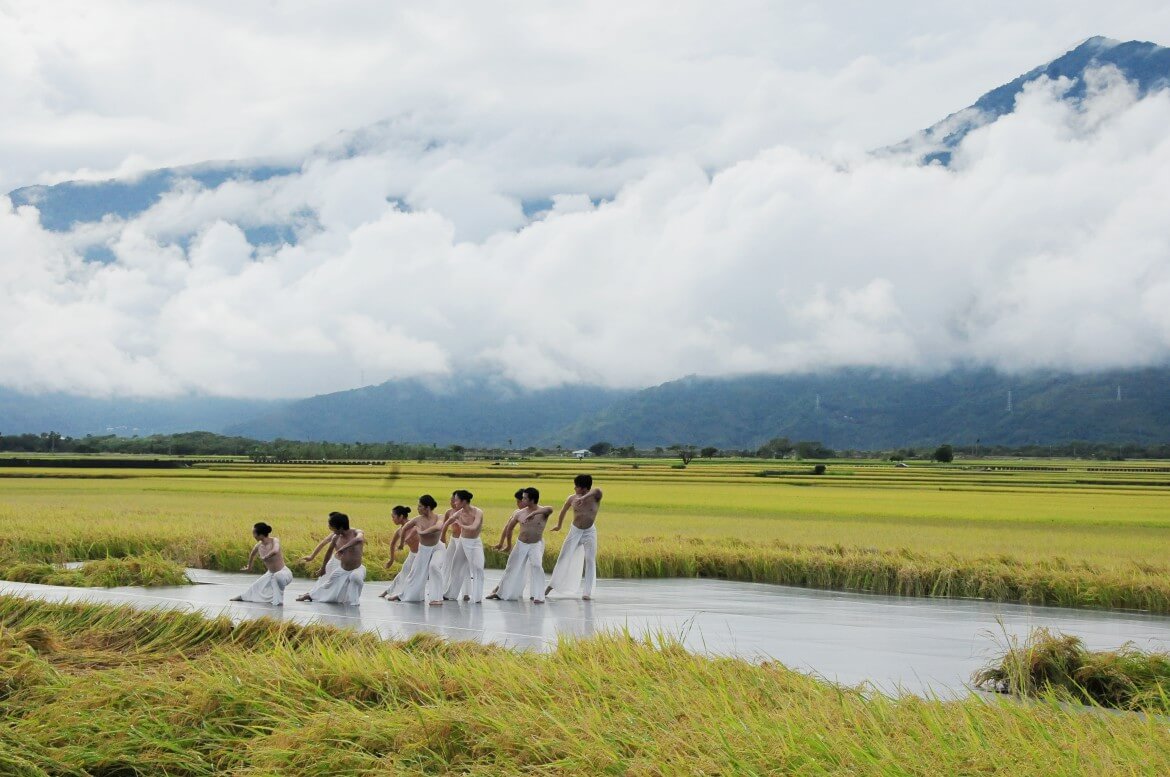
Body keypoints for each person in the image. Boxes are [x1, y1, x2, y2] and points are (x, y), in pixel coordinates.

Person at [488, 486, 552, 603]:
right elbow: (509, 528)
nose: (522, 501)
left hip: (535, 544)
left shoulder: (543, 512)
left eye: (524, 498)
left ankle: (539, 596)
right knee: (511, 567)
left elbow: (550, 509)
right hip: (521, 544)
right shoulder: (519, 513)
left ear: (532, 500)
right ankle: (500, 593)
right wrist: (507, 545)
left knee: (537, 566)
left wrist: (534, 513)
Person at [546, 474, 603, 600]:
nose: (574, 488)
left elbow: (598, 490)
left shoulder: (595, 497)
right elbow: (563, 511)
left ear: (584, 488)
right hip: (575, 531)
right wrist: (559, 525)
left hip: (589, 532)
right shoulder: (572, 498)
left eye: (576, 487)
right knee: (564, 557)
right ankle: (551, 585)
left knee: (589, 560)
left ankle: (587, 592)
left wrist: (584, 498)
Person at [388, 495, 447, 605]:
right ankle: (403, 595)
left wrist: (423, 532)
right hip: (424, 549)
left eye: (420, 506)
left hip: (438, 547)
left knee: (434, 567)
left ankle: (437, 598)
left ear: (427, 508)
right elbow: (404, 528)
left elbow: (439, 527)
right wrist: (401, 543)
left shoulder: (439, 517)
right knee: (415, 573)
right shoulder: (417, 520)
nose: (417, 508)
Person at [295, 512, 365, 604]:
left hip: (357, 568)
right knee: (328, 583)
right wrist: (322, 567)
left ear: (340, 528)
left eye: (331, 527)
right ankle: (311, 595)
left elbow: (359, 539)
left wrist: (343, 548)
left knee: (355, 578)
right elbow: (328, 551)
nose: (329, 528)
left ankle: (353, 602)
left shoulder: (357, 532)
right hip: (342, 568)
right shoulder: (335, 537)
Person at [438, 489, 486, 603]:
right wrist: (443, 534)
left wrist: (461, 524)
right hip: (462, 542)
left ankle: (476, 598)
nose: (455, 503)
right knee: (456, 566)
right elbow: (447, 522)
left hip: (474, 543)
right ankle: (451, 594)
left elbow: (474, 527)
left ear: (464, 501)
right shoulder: (458, 513)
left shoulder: (478, 512)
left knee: (478, 568)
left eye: (457, 500)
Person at [231, 522, 293, 605]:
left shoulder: (274, 540)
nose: (253, 536)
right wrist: (249, 567)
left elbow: (275, 550)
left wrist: (266, 556)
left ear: (260, 535)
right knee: (255, 587)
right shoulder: (258, 546)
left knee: (277, 577)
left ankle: (279, 602)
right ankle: (243, 597)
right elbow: (252, 555)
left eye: (254, 533)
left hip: (283, 573)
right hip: (270, 574)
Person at [380, 505, 416, 599]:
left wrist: (403, 543)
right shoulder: (399, 531)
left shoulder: (414, 524)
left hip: (424, 553)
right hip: (413, 554)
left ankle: (405, 594)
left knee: (413, 575)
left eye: (393, 517)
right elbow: (392, 544)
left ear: (400, 517)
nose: (392, 519)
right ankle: (389, 591)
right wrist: (391, 560)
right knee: (404, 572)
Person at [441, 492, 468, 601]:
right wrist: (442, 536)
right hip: (453, 539)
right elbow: (444, 525)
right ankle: (442, 587)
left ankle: (466, 593)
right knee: (447, 562)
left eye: (454, 500)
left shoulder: (465, 513)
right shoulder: (449, 512)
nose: (452, 502)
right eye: (451, 500)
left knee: (464, 566)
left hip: (462, 540)